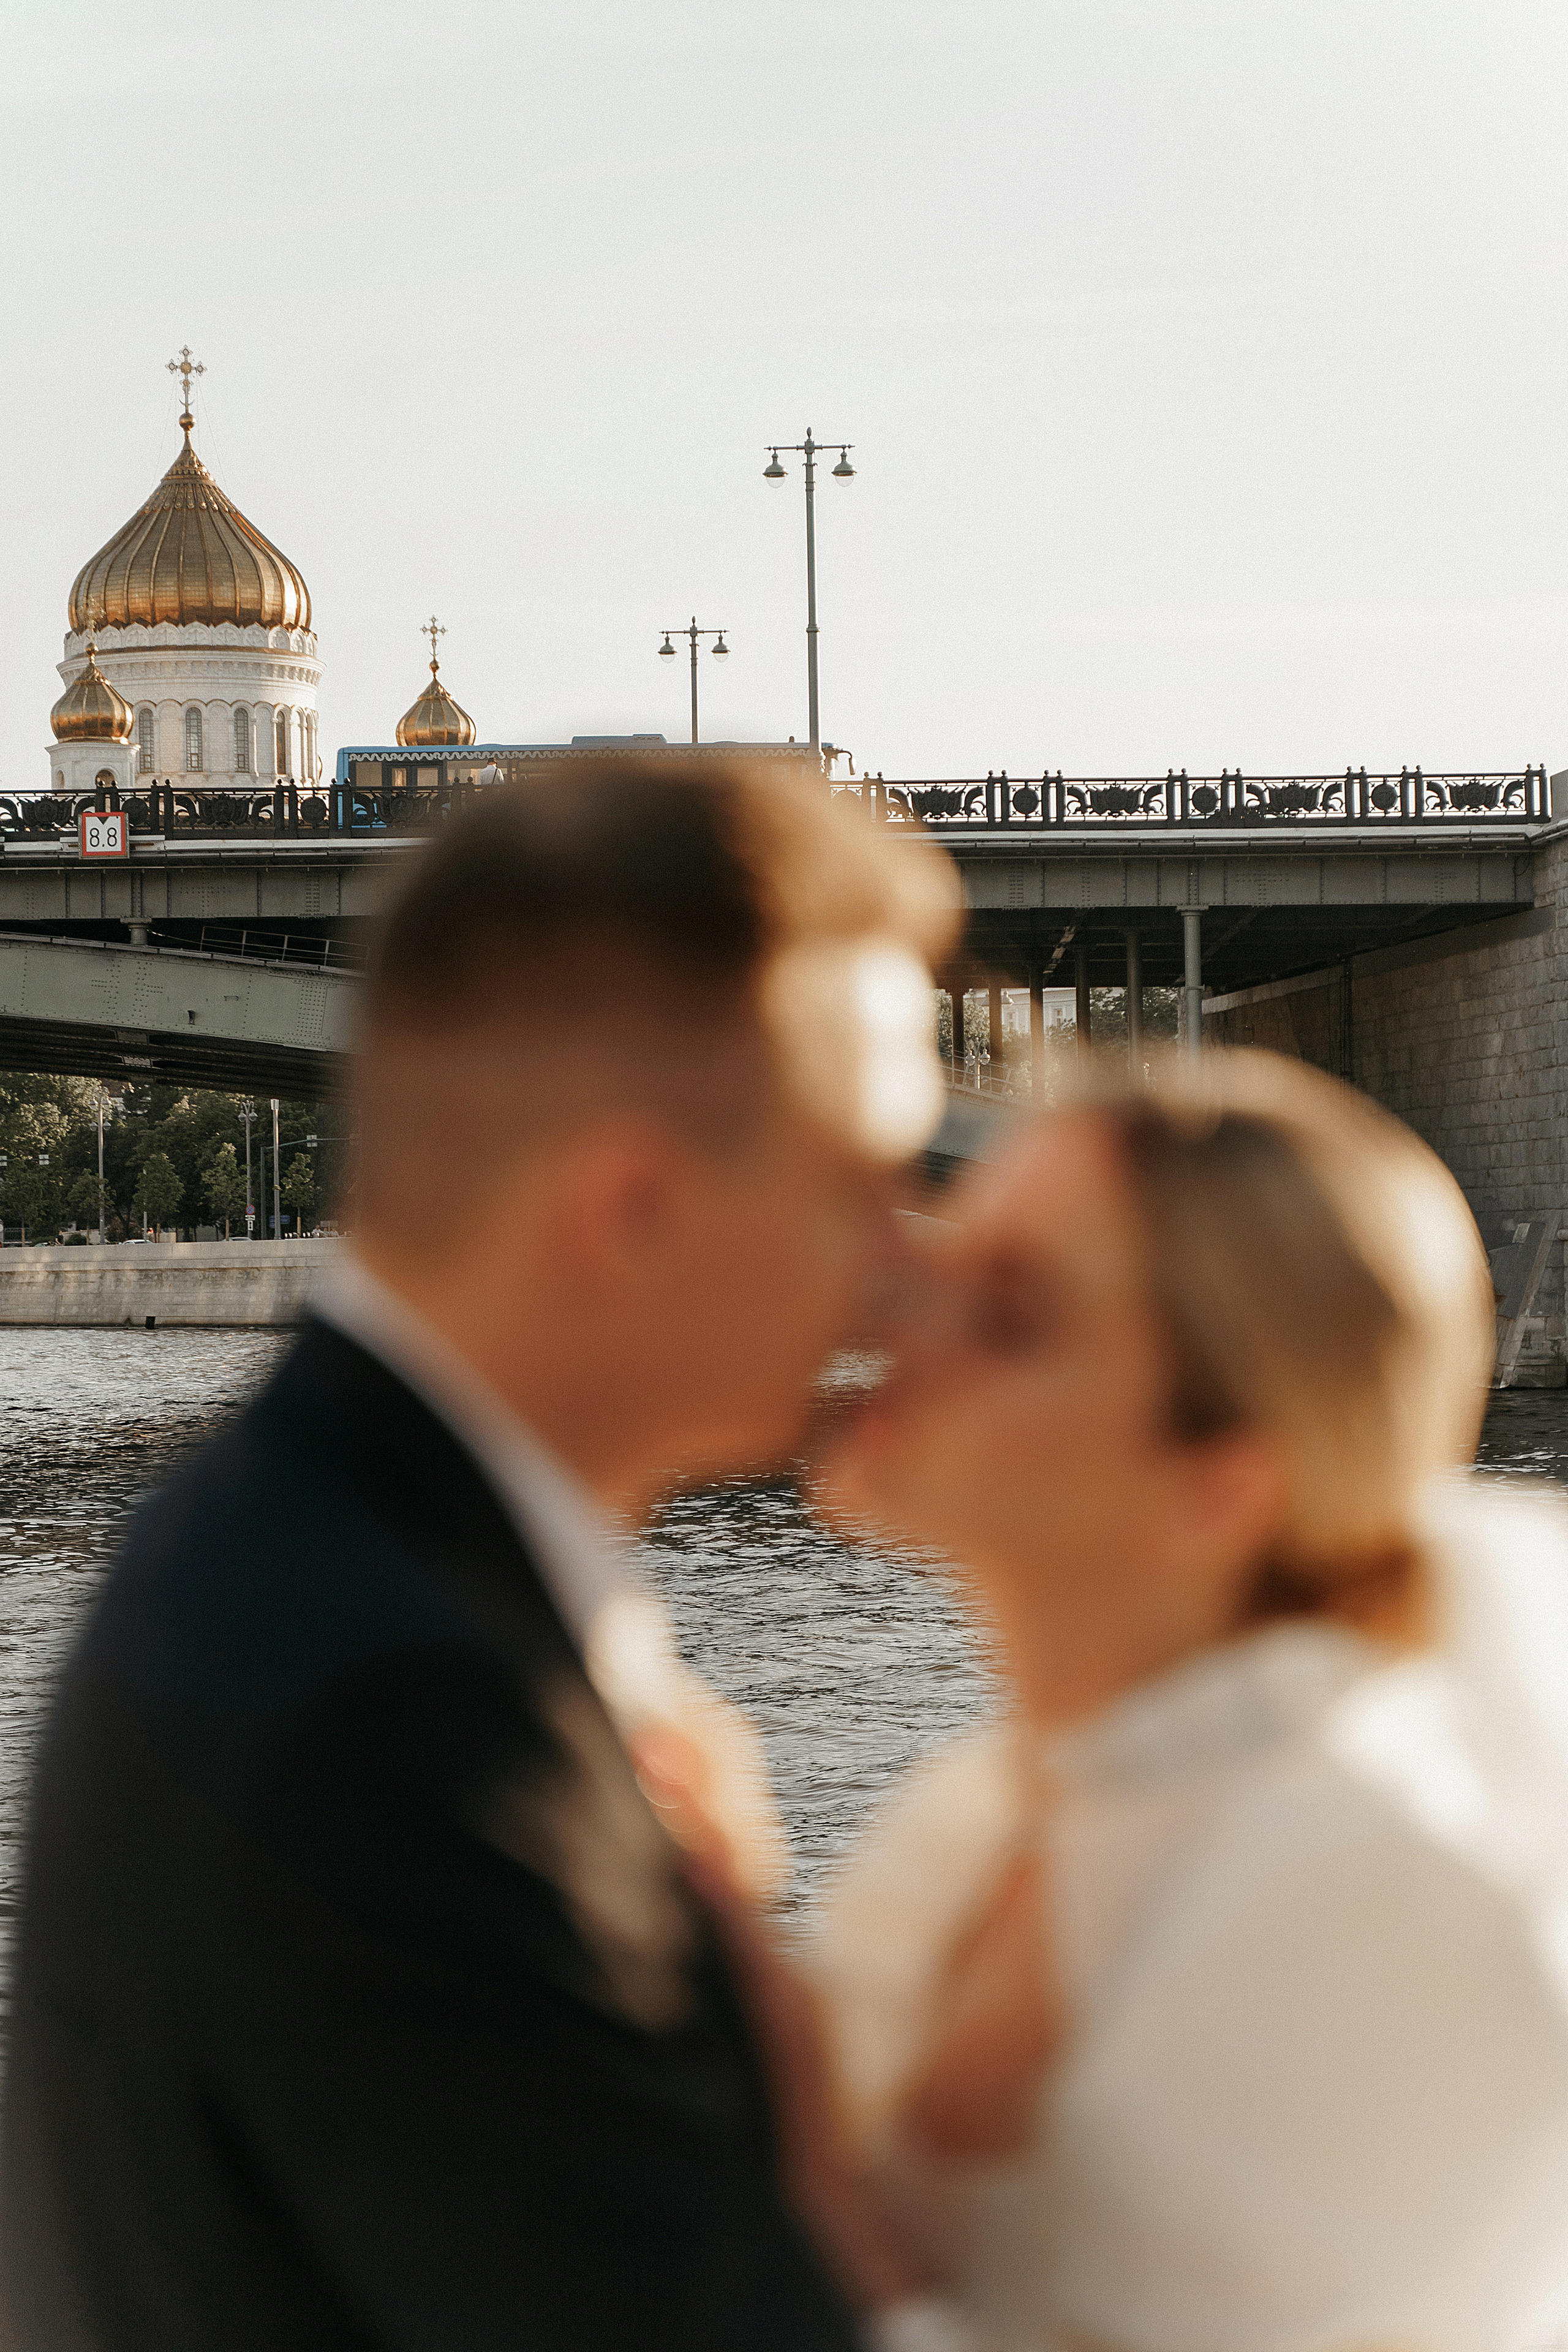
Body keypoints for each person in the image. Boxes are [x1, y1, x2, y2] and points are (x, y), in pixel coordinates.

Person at [0, 755, 960, 2352]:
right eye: (864, 1182)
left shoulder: (293, 1561)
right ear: (631, 1207)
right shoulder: (402, 1713)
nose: (901, 1269)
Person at [813, 1051, 1568, 2352]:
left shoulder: (1377, 1886)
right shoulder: (994, 1810)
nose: (897, 1317)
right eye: (943, 1260)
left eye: (1005, 1313)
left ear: (1213, 1487)